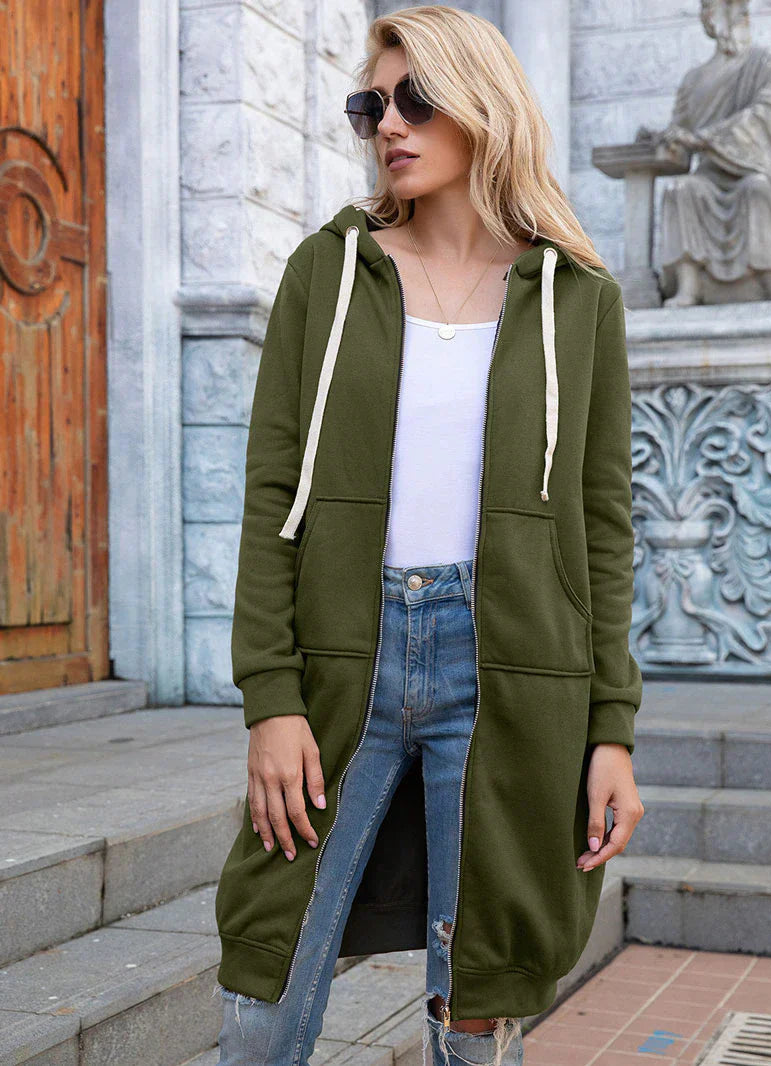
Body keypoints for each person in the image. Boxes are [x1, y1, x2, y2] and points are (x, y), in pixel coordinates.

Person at [212, 6, 645, 1066]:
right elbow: (273, 495)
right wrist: (270, 697)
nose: (389, 125)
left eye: (415, 100)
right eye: (371, 106)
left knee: (479, 985)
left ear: (483, 107)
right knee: (269, 968)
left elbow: (602, 528)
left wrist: (612, 730)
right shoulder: (327, 272)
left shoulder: (578, 299)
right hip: (344, 654)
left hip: (510, 665)